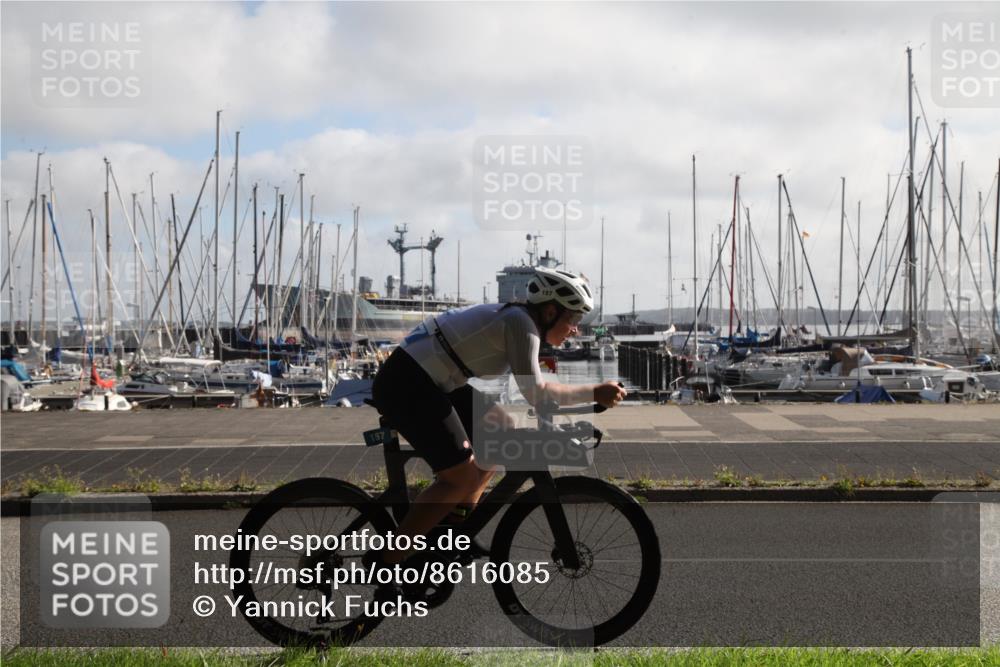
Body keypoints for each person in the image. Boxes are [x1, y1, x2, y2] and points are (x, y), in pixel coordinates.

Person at [369, 267, 626, 567]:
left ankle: (454, 533)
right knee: (460, 478)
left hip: (435, 380)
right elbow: (537, 392)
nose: (575, 330)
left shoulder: (523, 321)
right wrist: (594, 392)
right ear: (551, 311)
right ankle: (388, 561)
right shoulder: (520, 324)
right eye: (573, 319)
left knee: (500, 431)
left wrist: (566, 416)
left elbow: (538, 396)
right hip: (407, 382)